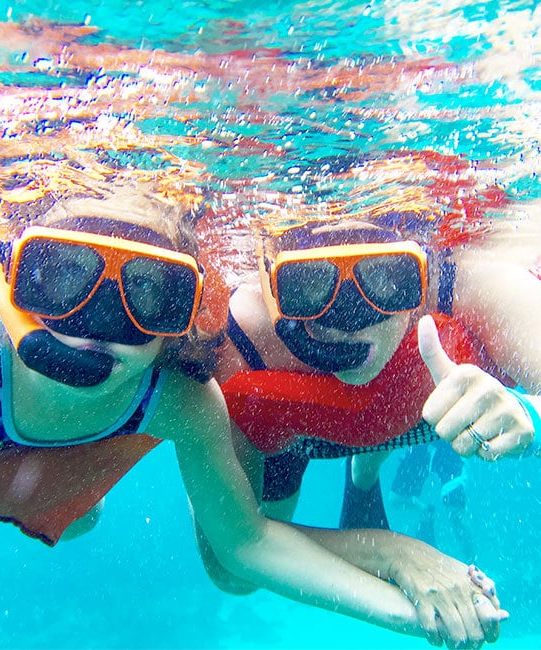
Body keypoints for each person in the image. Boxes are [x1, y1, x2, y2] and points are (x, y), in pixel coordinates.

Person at [0, 162, 507, 648]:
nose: (97, 326)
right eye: (60, 277)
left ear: (180, 322)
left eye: (150, 293)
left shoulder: (183, 400)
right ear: (12, 276)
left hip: (44, 462)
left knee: (76, 518)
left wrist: (413, 619)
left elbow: (244, 545)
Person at [194, 211, 538, 604]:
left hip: (411, 406)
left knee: (399, 390)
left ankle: (365, 468)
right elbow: (231, 560)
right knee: (240, 583)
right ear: (273, 283)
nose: (350, 320)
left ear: (423, 267)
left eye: (388, 278)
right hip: (291, 431)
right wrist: (389, 552)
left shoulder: (473, 282)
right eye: (309, 283)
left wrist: (531, 415)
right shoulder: (238, 344)